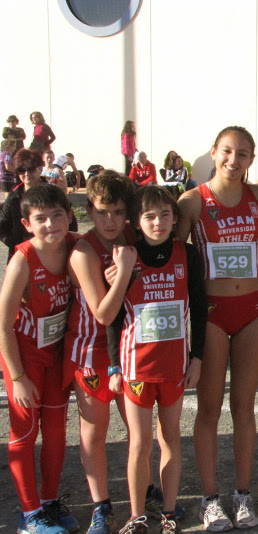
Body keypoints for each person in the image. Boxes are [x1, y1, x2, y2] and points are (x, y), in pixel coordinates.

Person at [176, 126, 258, 531]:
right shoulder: (191, 202)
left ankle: (243, 494)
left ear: (252, 157)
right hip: (212, 313)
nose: (233, 160)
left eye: (243, 154)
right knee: (208, 409)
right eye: (227, 151)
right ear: (213, 152)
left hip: (253, 310)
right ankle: (210, 499)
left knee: (244, 407)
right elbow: (174, 258)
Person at [107, 185, 206, 534]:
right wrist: (113, 366)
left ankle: (168, 511)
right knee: (140, 442)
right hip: (135, 366)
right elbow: (115, 318)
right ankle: (136, 516)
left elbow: (198, 309)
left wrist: (197, 358)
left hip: (174, 367)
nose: (158, 222)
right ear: (136, 220)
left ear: (175, 218)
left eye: (165, 215)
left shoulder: (187, 254)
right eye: (149, 216)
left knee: (171, 438)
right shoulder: (126, 257)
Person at [0, 184, 78, 534]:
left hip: (57, 355)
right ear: (27, 224)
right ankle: (29, 515)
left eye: (57, 215)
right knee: (26, 431)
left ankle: (48, 502)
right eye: (41, 219)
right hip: (26, 359)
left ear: (70, 215)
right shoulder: (23, 259)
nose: (50, 224)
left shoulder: (76, 245)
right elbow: (2, 324)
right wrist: (17, 378)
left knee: (58, 432)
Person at [64, 171, 137, 534]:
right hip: (91, 350)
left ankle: (144, 494)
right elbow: (103, 312)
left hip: (130, 348)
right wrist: (124, 270)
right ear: (90, 211)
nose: (111, 220)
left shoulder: (131, 236)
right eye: (103, 211)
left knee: (137, 429)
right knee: (95, 431)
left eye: (118, 212)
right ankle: (101, 505)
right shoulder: (83, 250)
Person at [0, 149, 47, 259]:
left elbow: (70, 223)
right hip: (19, 255)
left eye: (31, 169)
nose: (26, 174)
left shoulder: (53, 194)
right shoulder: (13, 197)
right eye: (21, 170)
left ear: (40, 168)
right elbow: (3, 226)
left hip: (48, 254)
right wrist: (14, 243)